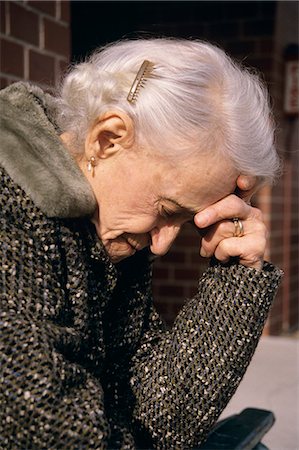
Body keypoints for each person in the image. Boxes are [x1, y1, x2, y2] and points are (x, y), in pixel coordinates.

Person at [0, 38, 282, 449]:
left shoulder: (107, 236)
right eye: (168, 210)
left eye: (186, 222)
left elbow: (162, 423)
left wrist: (238, 273)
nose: (162, 244)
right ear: (108, 139)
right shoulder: (13, 219)